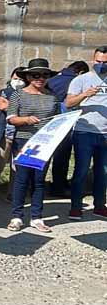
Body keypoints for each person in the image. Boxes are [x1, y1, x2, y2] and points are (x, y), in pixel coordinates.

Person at [6, 59, 61, 232]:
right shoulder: (18, 94)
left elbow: (57, 120)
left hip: (46, 142)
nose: (40, 78)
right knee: (21, 180)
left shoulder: (52, 96)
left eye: (44, 75)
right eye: (36, 75)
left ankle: (37, 217)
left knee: (39, 181)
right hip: (24, 140)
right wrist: (25, 120)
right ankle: (17, 216)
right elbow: (11, 118)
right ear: (28, 76)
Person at [65, 46, 107, 220]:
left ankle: (99, 206)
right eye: (98, 61)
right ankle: (76, 207)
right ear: (92, 60)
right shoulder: (81, 80)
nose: (101, 65)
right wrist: (85, 95)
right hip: (84, 132)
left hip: (105, 133)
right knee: (81, 170)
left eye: (105, 62)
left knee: (103, 172)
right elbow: (68, 103)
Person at [47, 60, 89, 196]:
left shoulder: (55, 78)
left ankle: (55, 184)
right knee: (62, 155)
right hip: (63, 121)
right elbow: (68, 103)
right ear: (80, 72)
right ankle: (58, 187)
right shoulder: (73, 80)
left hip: (51, 120)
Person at [0, 67, 26, 203]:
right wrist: (22, 111)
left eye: (21, 79)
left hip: (22, 135)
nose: (18, 81)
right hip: (5, 134)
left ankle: (13, 195)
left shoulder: (28, 93)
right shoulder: (4, 92)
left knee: (17, 167)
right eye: (16, 78)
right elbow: (2, 105)